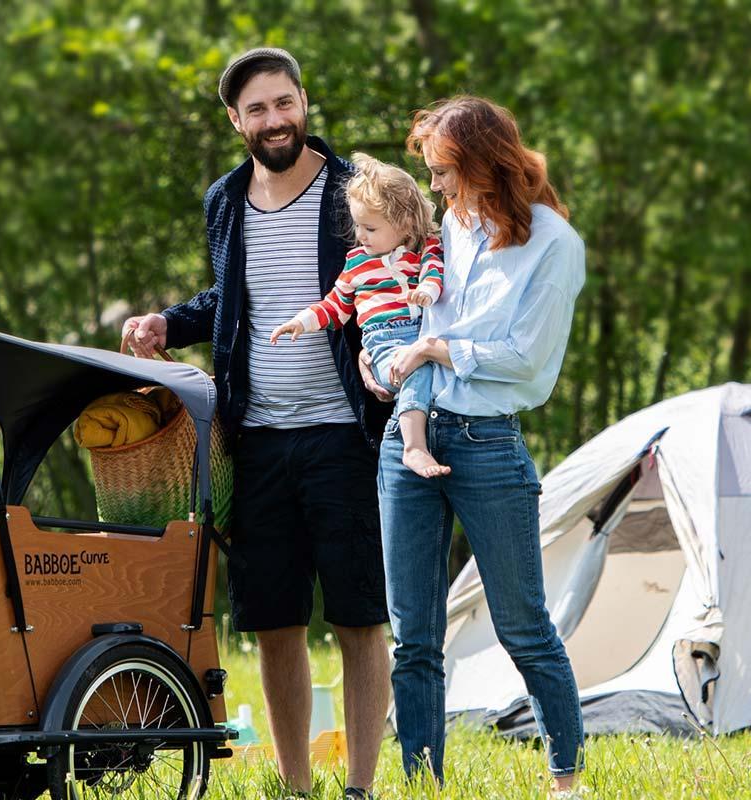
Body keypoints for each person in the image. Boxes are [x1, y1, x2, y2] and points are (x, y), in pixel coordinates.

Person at [119, 47, 390, 800]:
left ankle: (361, 787)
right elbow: (228, 303)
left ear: (305, 102)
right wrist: (166, 324)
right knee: (273, 620)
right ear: (235, 120)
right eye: (259, 109)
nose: (276, 120)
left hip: (346, 436)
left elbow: (398, 279)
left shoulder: (351, 193)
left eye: (286, 102)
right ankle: (297, 786)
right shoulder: (224, 201)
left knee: (360, 616)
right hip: (257, 442)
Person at [361, 95, 589, 796]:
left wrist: (436, 347)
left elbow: (528, 360)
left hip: (488, 445)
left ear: (486, 163)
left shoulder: (554, 244)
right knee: (414, 640)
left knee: (524, 627)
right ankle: (423, 783)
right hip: (411, 435)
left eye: (442, 172)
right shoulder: (446, 231)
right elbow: (401, 308)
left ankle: (566, 778)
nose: (433, 187)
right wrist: (385, 363)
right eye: (428, 172)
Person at [270, 153, 449, 479]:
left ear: (405, 223)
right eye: (357, 225)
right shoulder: (356, 262)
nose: (360, 235)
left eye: (369, 227)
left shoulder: (426, 248)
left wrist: (428, 290)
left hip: (423, 333)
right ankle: (413, 447)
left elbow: (435, 272)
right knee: (415, 371)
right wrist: (302, 321)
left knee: (430, 366)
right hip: (384, 343)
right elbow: (335, 306)